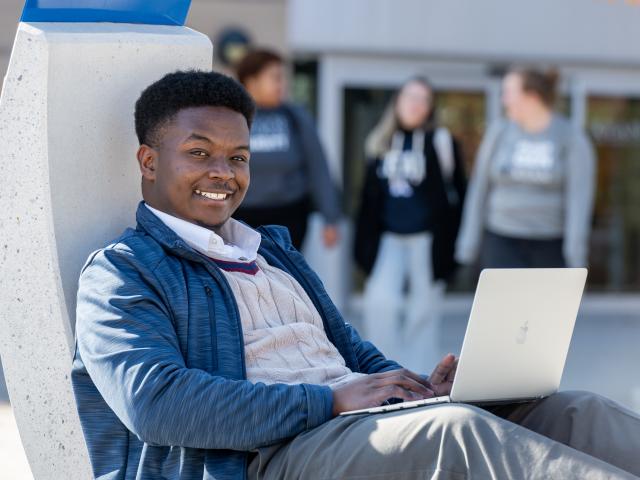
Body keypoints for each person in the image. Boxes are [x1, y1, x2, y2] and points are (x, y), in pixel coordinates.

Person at [72, 70, 640, 480]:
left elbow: (349, 351)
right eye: (199, 153)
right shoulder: (123, 272)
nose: (223, 172)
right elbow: (156, 404)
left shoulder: (271, 251)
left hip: (351, 427)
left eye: (238, 157)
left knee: (573, 411)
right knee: (456, 436)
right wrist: (330, 401)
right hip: (271, 453)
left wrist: (417, 387)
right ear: (149, 161)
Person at [354, 77, 466, 369]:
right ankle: (384, 371)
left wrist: (453, 246)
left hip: (427, 239)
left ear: (430, 108)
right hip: (388, 237)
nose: (415, 105)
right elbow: (367, 199)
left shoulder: (441, 142)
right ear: (397, 101)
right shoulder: (380, 141)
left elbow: (458, 194)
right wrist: (362, 245)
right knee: (380, 304)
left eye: (423, 99)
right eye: (410, 97)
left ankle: (421, 376)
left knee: (423, 310)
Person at [456, 68, 596, 269]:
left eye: (509, 93)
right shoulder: (499, 132)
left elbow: (579, 199)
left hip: (550, 243)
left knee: (544, 302)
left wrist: (576, 255)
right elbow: (479, 187)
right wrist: (468, 243)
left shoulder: (571, 138)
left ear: (531, 97)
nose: (504, 100)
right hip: (501, 238)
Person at [232, 48, 340, 250]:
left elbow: (318, 166)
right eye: (276, 78)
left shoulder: (295, 117)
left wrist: (330, 217)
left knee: (286, 278)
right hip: (242, 217)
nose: (282, 85)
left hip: (290, 217)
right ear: (251, 80)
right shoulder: (232, 118)